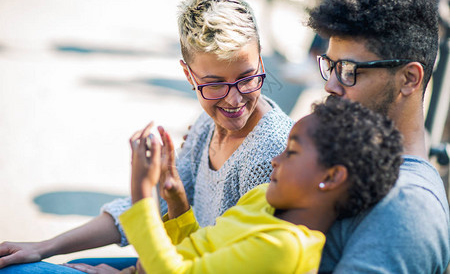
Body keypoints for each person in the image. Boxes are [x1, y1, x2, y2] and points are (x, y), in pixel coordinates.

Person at [0, 0, 293, 272]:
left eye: (247, 77)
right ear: (188, 75)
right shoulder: (209, 122)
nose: (234, 99)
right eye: (214, 83)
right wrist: (45, 246)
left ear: (260, 61)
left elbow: (226, 263)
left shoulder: (268, 151)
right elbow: (158, 205)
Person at [115, 96, 403, 274]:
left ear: (330, 177)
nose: (276, 160)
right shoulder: (262, 197)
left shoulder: (286, 248)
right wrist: (177, 202)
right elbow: (200, 253)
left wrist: (142, 193)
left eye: (291, 152)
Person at [306, 0, 450, 272]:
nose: (330, 85)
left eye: (348, 69)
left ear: (409, 79)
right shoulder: (346, 158)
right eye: (330, 66)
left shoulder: (406, 207)